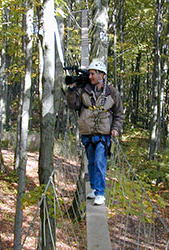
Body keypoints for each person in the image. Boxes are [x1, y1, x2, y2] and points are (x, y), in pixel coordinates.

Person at [66, 60, 124, 205]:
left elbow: (119, 114)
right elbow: (73, 105)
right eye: (90, 73)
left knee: (99, 161)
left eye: (93, 74)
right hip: (87, 133)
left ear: (101, 75)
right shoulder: (83, 90)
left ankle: (100, 192)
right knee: (91, 162)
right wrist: (71, 90)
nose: (90, 76)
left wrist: (116, 128)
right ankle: (94, 188)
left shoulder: (112, 93)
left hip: (104, 134)